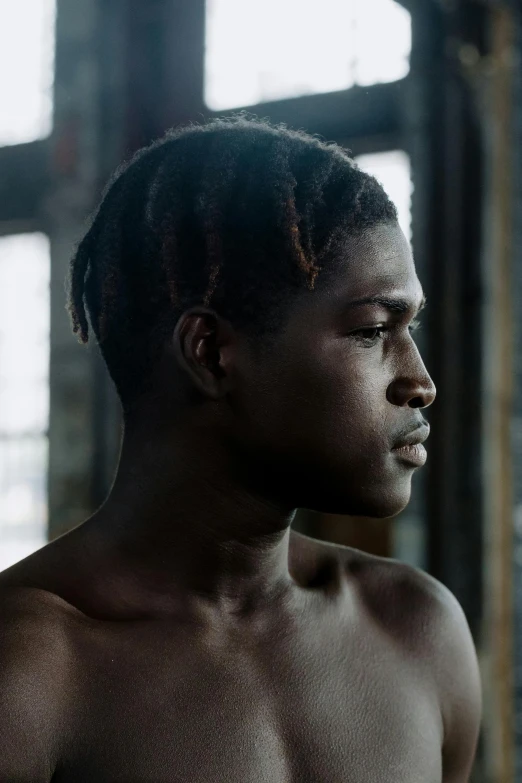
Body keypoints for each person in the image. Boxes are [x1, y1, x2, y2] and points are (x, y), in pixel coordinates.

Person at [0, 115, 481, 782]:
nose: (421, 382)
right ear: (212, 353)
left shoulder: (418, 630)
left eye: (411, 326)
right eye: (374, 329)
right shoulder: (28, 676)